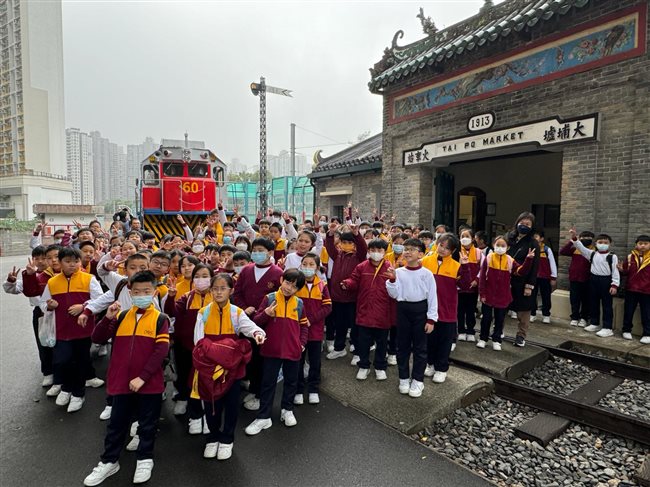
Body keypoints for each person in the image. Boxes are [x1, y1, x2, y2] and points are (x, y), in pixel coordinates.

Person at [84, 271, 170, 486]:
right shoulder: (121, 316)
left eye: (146, 291)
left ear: (154, 293)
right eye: (137, 292)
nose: (141, 295)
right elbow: (97, 337)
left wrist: (143, 377)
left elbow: (160, 351)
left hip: (149, 384)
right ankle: (109, 461)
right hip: (121, 382)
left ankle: (145, 459)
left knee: (147, 424)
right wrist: (107, 318)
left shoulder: (160, 319)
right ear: (130, 293)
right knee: (116, 424)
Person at [192, 273, 266, 460]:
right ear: (211, 290)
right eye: (215, 289)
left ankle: (227, 439)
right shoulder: (203, 313)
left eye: (223, 288)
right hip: (210, 367)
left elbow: (250, 327)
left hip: (232, 366)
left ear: (231, 290)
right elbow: (198, 342)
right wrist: (208, 361)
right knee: (211, 403)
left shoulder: (236, 312)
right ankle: (212, 437)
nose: (218, 292)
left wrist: (258, 334)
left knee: (232, 404)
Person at [38, 247, 104, 412]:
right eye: (67, 261)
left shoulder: (89, 279)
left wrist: (83, 306)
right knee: (63, 361)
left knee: (80, 362)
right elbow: (43, 303)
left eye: (76, 261)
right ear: (60, 263)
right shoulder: (52, 282)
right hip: (61, 330)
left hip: (83, 330)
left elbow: (100, 300)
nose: (72, 265)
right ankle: (66, 388)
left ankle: (77, 394)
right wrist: (49, 305)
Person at [245, 269, 308, 435]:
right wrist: (266, 314)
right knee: (268, 383)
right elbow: (256, 322)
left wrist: (301, 344)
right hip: (271, 350)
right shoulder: (269, 298)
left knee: (291, 382)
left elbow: (304, 326)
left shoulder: (299, 304)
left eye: (294, 286)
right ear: (281, 280)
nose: (289, 288)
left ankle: (287, 410)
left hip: (293, 351)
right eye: (287, 282)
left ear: (298, 289)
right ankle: (263, 417)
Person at [232, 237, 283, 411]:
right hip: (246, 321)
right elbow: (237, 293)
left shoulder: (277, 273)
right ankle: (254, 388)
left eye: (261, 250)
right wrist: (244, 308)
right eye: (254, 250)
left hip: (266, 323)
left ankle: (262, 395)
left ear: (270, 252)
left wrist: (264, 313)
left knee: (263, 360)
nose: (257, 253)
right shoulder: (246, 270)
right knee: (250, 357)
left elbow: (279, 298)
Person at [386, 239, 438, 398]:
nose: (407, 252)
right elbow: (394, 294)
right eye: (406, 249)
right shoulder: (399, 272)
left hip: (420, 311)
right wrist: (392, 280)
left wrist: (431, 319)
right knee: (402, 346)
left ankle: (417, 380)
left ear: (421, 254)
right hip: (403, 310)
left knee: (420, 348)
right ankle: (403, 378)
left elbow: (432, 298)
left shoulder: (427, 274)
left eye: (412, 249)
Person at [165, 264, 214, 428]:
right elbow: (171, 313)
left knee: (208, 380)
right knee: (187, 376)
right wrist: (171, 297)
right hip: (186, 346)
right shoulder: (186, 298)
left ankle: (209, 414)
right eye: (197, 276)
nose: (201, 279)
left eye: (205, 276)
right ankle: (191, 409)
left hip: (210, 347)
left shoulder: (217, 297)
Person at [341, 239, 395, 381]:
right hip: (364, 310)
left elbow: (395, 289)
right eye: (373, 250)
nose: (376, 253)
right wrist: (347, 283)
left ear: (385, 252)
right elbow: (354, 280)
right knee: (363, 342)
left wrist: (394, 279)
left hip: (383, 312)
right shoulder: (362, 266)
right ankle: (364, 366)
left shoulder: (390, 268)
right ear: (368, 251)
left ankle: (380, 367)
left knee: (382, 343)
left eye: (379, 250)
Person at [3, 245, 54, 387]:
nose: (40, 261)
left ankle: (61, 371)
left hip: (57, 311)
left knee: (59, 343)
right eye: (37, 258)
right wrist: (11, 281)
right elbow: (14, 289)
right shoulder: (31, 275)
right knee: (43, 342)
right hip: (40, 313)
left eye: (44, 258)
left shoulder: (57, 273)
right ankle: (48, 372)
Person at [477, 236, 535, 351]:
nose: (500, 248)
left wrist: (528, 259)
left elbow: (521, 271)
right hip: (488, 295)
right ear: (493, 245)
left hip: (503, 296)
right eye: (497, 245)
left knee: (500, 319)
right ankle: (483, 338)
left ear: (507, 247)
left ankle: (496, 340)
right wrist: (482, 293)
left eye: (503, 246)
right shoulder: (488, 258)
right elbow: (482, 277)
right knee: (486, 319)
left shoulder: (510, 260)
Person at [324, 222, 368, 361]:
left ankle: (357, 352)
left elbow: (363, 247)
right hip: (337, 297)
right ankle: (339, 348)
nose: (346, 244)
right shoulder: (337, 255)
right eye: (344, 242)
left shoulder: (359, 257)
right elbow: (329, 246)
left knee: (355, 326)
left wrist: (356, 234)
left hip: (353, 297)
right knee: (339, 324)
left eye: (350, 242)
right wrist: (331, 234)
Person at [422, 234, 461, 383]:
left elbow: (465, 285)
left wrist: (466, 267)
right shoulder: (425, 261)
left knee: (445, 341)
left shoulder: (456, 266)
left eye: (447, 248)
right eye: (441, 245)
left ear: (453, 250)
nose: (443, 249)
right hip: (428, 309)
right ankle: (430, 364)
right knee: (430, 340)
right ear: (436, 244)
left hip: (447, 309)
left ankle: (441, 369)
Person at [295, 253, 332, 404]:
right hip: (298, 331)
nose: (307, 267)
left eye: (311, 265)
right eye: (305, 264)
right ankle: (298, 390)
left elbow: (327, 307)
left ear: (317, 268)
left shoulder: (322, 285)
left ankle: (313, 389)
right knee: (298, 360)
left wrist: (311, 320)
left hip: (316, 331)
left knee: (315, 361)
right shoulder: (296, 284)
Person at [569, 228, 620, 337]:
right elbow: (581, 248)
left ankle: (607, 327)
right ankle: (594, 323)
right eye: (600, 242)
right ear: (596, 243)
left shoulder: (612, 256)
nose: (603, 244)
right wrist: (574, 237)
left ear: (610, 244)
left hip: (606, 281)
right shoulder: (592, 254)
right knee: (593, 303)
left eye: (605, 242)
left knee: (607, 305)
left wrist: (614, 285)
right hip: (593, 280)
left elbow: (615, 271)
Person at [506, 213, 540, 347]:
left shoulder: (533, 243)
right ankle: (498, 331)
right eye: (522, 223)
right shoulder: (509, 238)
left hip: (523, 280)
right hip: (506, 279)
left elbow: (535, 265)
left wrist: (529, 285)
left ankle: (521, 335)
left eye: (527, 224)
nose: (524, 226)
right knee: (502, 307)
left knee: (524, 310)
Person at [619, 235, 650, 344]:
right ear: (636, 245)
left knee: (647, 313)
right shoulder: (630, 257)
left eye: (646, 244)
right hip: (631, 289)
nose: (643, 246)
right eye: (640, 243)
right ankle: (626, 330)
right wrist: (622, 270)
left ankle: (647, 333)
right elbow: (626, 272)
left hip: (647, 290)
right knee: (628, 311)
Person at [559, 231, 594, 327]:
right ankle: (574, 317)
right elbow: (563, 252)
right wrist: (572, 241)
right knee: (574, 299)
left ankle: (584, 318)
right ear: (580, 238)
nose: (586, 239)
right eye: (584, 237)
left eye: (588, 237)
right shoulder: (575, 249)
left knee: (586, 299)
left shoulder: (594, 250)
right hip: (574, 278)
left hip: (588, 279)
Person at [455, 228, 483, 342]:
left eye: (467, 236)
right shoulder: (456, 252)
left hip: (472, 288)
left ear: (472, 239)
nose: (464, 239)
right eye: (462, 236)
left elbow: (482, 269)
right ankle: (461, 330)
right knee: (460, 311)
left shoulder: (478, 252)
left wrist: (477, 280)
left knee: (471, 311)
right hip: (460, 287)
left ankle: (470, 331)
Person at [530, 231, 557, 324]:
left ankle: (546, 315)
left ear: (541, 239)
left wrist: (553, 277)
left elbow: (552, 264)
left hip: (545, 277)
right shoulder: (530, 249)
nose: (534, 238)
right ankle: (532, 314)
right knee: (532, 296)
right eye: (533, 237)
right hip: (533, 277)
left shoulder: (547, 249)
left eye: (536, 236)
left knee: (546, 296)